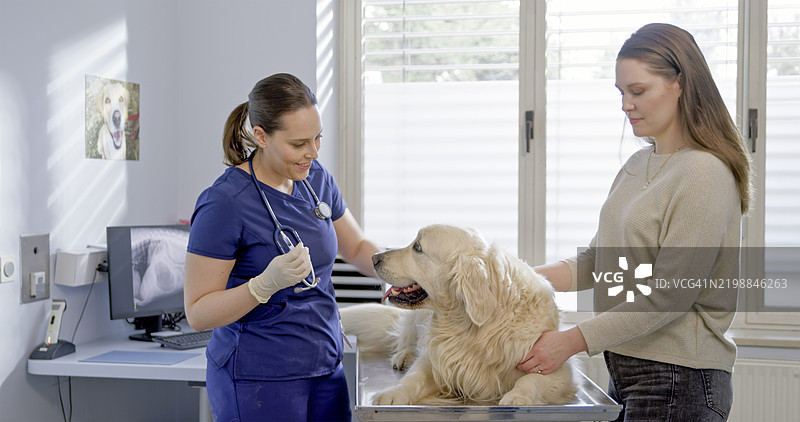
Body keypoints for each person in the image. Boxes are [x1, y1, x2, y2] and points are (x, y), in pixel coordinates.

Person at [518, 23, 751, 421]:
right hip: (627, 369)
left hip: (680, 379)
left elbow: (669, 296)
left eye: (638, 91)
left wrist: (570, 341)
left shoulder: (704, 172)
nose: (626, 104)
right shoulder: (637, 165)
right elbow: (597, 262)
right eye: (621, 93)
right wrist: (513, 278)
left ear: (680, 83)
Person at [184, 73, 381, 421]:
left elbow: (357, 246)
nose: (313, 153)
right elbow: (199, 313)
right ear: (261, 136)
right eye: (299, 143)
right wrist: (263, 285)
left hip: (324, 366)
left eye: (317, 138)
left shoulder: (316, 178)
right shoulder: (225, 202)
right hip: (258, 378)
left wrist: (406, 272)